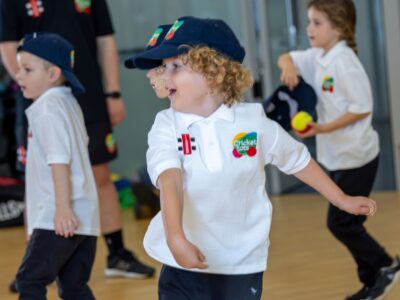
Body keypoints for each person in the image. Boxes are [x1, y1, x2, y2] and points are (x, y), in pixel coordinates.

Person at [125, 16, 377, 300]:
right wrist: (175, 237)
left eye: (176, 66)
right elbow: (169, 180)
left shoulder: (253, 122)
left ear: (215, 73)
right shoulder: (166, 125)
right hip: (181, 260)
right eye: (163, 67)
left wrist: (341, 199)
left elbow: (297, 160)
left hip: (241, 262)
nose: (163, 76)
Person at [0, 0, 155, 288]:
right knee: (37, 178)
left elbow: (106, 40)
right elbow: (7, 45)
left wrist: (112, 92)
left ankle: (117, 254)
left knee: (100, 175)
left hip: (86, 93)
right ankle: (36, 260)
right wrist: (29, 83)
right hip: (38, 94)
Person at [277, 1, 400, 299]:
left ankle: (385, 265)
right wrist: (289, 67)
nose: (309, 29)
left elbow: (361, 109)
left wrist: (320, 129)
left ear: (339, 28)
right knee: (348, 222)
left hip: (357, 155)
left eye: (317, 22)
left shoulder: (345, 61)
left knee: (340, 222)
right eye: (309, 21)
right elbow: (285, 57)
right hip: (339, 155)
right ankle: (374, 280)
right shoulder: (319, 55)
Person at [15, 32, 99, 300]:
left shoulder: (47, 108)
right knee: (74, 288)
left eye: (27, 69)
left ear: (52, 74)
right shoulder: (68, 103)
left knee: (29, 281)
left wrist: (62, 208)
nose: (18, 76)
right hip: (85, 215)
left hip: (60, 215)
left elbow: (59, 159)